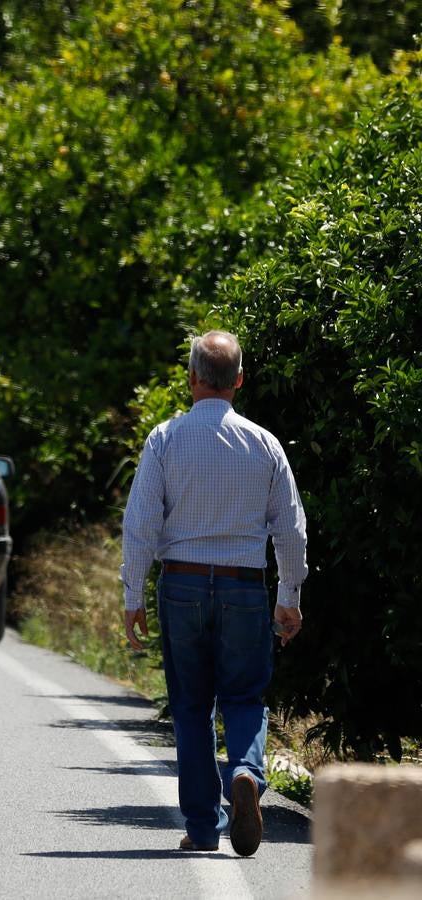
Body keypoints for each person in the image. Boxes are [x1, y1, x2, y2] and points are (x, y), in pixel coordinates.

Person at [120, 330, 307, 857]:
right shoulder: (265, 444)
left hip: (180, 583)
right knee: (245, 695)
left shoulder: (165, 439)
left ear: (191, 379)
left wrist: (133, 593)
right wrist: (289, 594)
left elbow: (140, 524)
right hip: (244, 586)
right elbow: (291, 529)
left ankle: (203, 827)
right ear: (240, 381)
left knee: (191, 705)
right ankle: (246, 771)